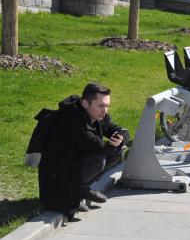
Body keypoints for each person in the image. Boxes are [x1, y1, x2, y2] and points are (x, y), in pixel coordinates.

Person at [38, 83, 129, 220]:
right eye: (100, 106)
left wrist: (121, 138)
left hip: (72, 166)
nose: (105, 111)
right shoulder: (72, 120)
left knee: (116, 153)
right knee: (99, 159)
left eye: (107, 106)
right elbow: (97, 147)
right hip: (57, 174)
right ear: (85, 103)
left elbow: (120, 130)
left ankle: (80, 189)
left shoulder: (98, 115)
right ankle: (75, 190)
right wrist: (114, 144)